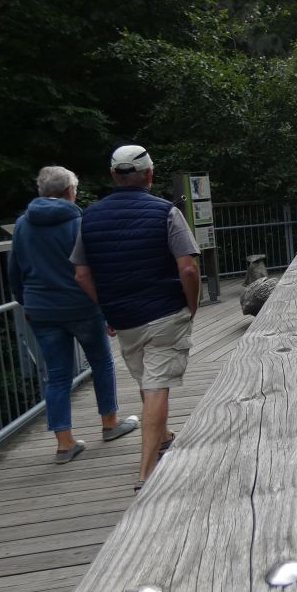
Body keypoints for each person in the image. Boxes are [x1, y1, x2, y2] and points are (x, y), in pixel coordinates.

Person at [71, 145, 200, 491]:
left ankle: (165, 433)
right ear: (149, 174)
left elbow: (81, 275)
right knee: (156, 386)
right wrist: (192, 305)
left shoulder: (90, 217)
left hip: (124, 318)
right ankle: (147, 471)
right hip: (165, 312)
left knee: (148, 383)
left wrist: (107, 308)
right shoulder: (166, 213)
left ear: (113, 175)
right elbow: (187, 266)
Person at [8, 166, 137, 464]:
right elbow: (96, 269)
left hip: (41, 308)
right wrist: (109, 308)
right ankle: (109, 424)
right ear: (70, 192)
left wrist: (25, 303)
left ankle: (65, 444)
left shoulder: (23, 225)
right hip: (82, 306)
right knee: (102, 363)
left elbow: (14, 271)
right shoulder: (80, 222)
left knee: (57, 376)